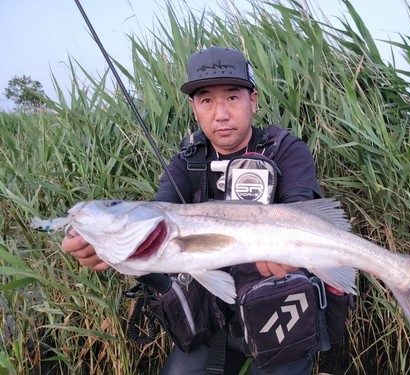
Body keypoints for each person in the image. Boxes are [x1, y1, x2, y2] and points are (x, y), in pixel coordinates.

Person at [62, 46, 338, 374]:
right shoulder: (186, 162)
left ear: (253, 100)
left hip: (277, 309)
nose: (220, 113)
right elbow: (155, 216)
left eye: (232, 97)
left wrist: (291, 252)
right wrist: (104, 245)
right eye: (206, 100)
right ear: (194, 108)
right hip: (210, 319)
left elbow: (301, 213)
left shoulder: (286, 149)